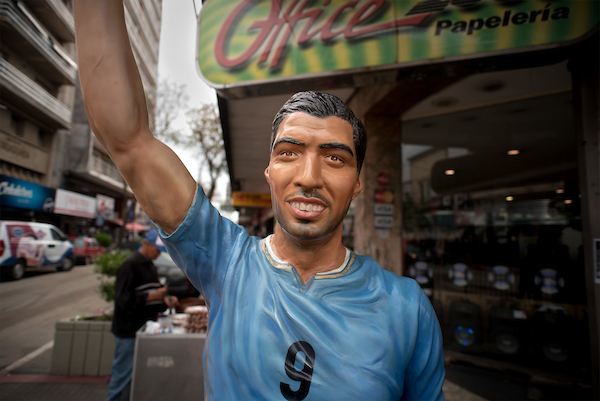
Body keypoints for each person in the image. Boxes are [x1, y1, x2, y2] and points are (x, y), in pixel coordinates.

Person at [73, 1, 445, 400]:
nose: (309, 177)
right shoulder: (226, 262)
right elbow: (128, 141)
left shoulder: (405, 307)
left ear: (357, 184)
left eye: (335, 158)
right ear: (269, 172)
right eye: (289, 153)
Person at [107, 230, 177, 401]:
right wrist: (152, 296)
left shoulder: (150, 266)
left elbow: (152, 295)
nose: (159, 254)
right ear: (147, 244)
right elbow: (123, 300)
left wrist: (165, 301)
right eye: (158, 250)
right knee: (122, 376)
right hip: (129, 331)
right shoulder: (130, 265)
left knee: (135, 377)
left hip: (144, 329)